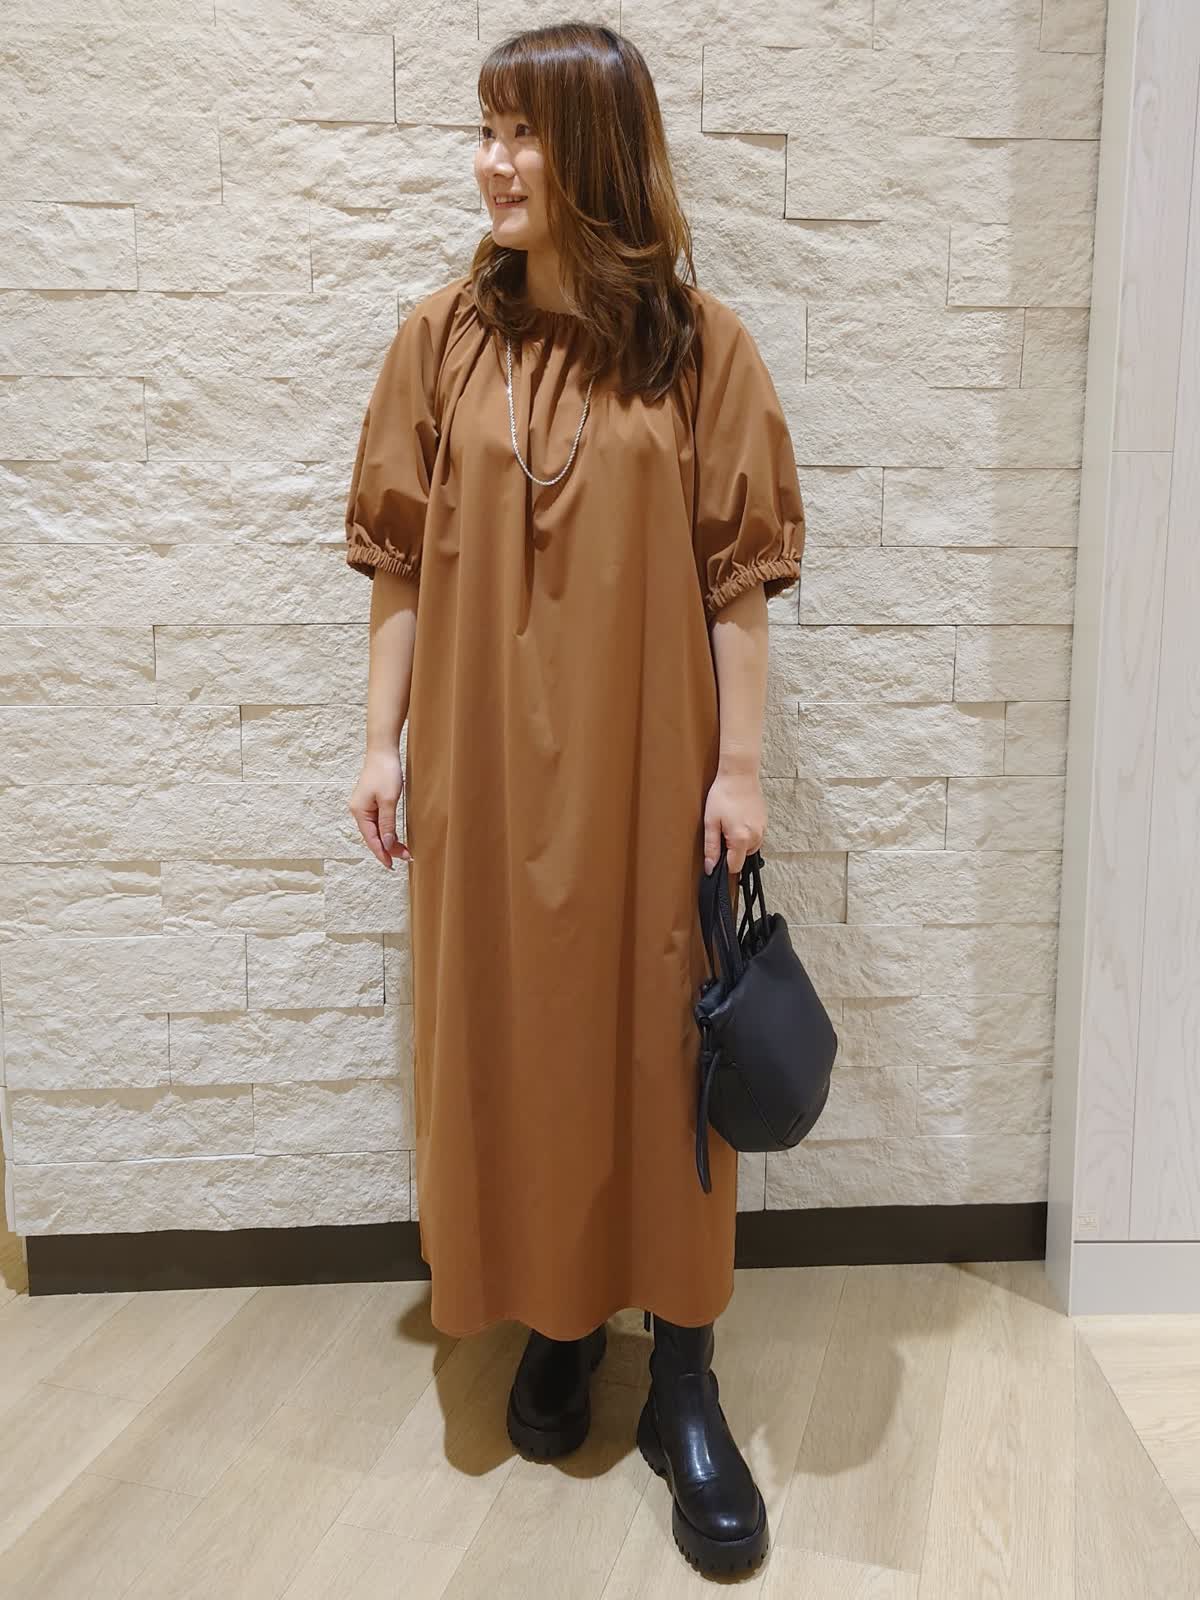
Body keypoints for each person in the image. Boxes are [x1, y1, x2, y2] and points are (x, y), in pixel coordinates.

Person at [344, 22, 805, 1580]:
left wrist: (739, 770)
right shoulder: (438, 343)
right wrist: (381, 744)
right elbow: (398, 564)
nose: (491, 161)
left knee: (661, 1057)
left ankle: (684, 1377)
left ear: (598, 150)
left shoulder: (699, 350)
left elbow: (738, 583)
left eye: (522, 132)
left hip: (652, 772)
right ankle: (554, 1322)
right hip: (483, 772)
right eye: (485, 128)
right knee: (516, 1040)